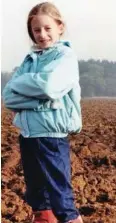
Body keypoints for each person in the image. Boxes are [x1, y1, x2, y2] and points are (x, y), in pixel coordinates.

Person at [2, 2, 84, 223]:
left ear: (60, 27)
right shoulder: (30, 59)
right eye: (36, 30)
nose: (42, 34)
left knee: (61, 197)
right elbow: (8, 97)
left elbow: (50, 87)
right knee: (38, 197)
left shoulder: (65, 57)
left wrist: (23, 83)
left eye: (47, 28)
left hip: (51, 136)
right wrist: (39, 92)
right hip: (28, 136)